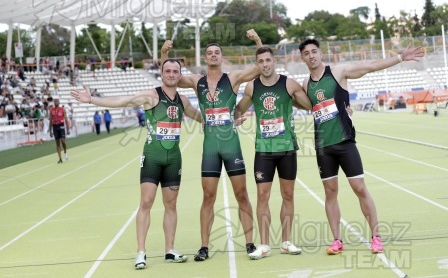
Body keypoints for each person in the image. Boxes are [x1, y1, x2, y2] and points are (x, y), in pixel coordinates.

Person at [70, 59, 202, 269]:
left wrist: (228, 120)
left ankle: (170, 250)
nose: (171, 74)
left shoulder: (183, 100)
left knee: (171, 205)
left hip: (174, 159)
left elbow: (200, 117)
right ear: (161, 73)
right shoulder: (151, 96)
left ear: (179, 75)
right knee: (146, 203)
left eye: (175, 71)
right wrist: (92, 100)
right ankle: (141, 252)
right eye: (167, 70)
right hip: (152, 157)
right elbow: (122, 101)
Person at [298, 39, 425, 254]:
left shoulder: (338, 71)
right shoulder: (305, 83)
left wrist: (400, 57)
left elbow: (369, 66)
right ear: (302, 58)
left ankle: (376, 237)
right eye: (306, 53)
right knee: (330, 192)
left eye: (314, 51)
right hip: (323, 146)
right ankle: (337, 241)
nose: (311, 56)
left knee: (359, 188)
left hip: (345, 141)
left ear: (320, 53)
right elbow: (297, 100)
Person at [160, 29, 263, 261]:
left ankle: (249, 243)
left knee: (242, 194)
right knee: (208, 197)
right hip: (210, 148)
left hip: (231, 145)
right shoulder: (197, 81)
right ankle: (204, 247)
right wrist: (164, 53)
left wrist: (257, 41)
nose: (213, 55)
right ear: (205, 58)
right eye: (210, 53)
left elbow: (259, 68)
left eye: (217, 52)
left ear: (221, 57)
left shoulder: (233, 77)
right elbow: (169, 76)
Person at [234, 47, 311, 259]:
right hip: (264, 150)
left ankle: (286, 242)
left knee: (288, 195)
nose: (265, 64)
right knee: (262, 196)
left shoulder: (288, 83)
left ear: (273, 61)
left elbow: (309, 105)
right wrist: (236, 117)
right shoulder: (252, 86)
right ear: (257, 64)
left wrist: (293, 98)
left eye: (268, 60)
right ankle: (265, 245)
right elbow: (239, 108)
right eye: (261, 61)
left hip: (286, 148)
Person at [48, 98, 70, 164]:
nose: (56, 102)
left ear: (59, 102)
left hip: (61, 125)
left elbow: (66, 119)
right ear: (54, 103)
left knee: (63, 141)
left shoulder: (62, 109)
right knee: (57, 143)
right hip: (55, 127)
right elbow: (50, 121)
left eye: (57, 101)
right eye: (55, 101)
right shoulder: (52, 110)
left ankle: (65, 151)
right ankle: (60, 158)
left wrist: (68, 129)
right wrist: (50, 131)